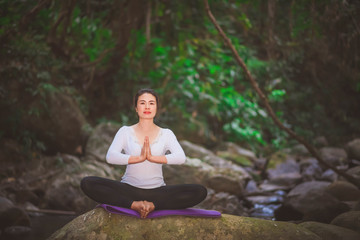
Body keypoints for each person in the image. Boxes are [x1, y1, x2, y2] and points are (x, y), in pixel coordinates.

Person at [80, 88, 207, 218]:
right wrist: (139, 158)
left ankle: (154, 205)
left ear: (157, 107)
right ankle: (133, 204)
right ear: (136, 108)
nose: (147, 107)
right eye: (142, 103)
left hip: (157, 192)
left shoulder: (166, 134)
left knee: (199, 191)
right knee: (87, 183)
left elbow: (180, 157)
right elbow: (111, 156)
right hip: (128, 189)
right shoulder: (125, 131)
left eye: (151, 103)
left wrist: (153, 158)